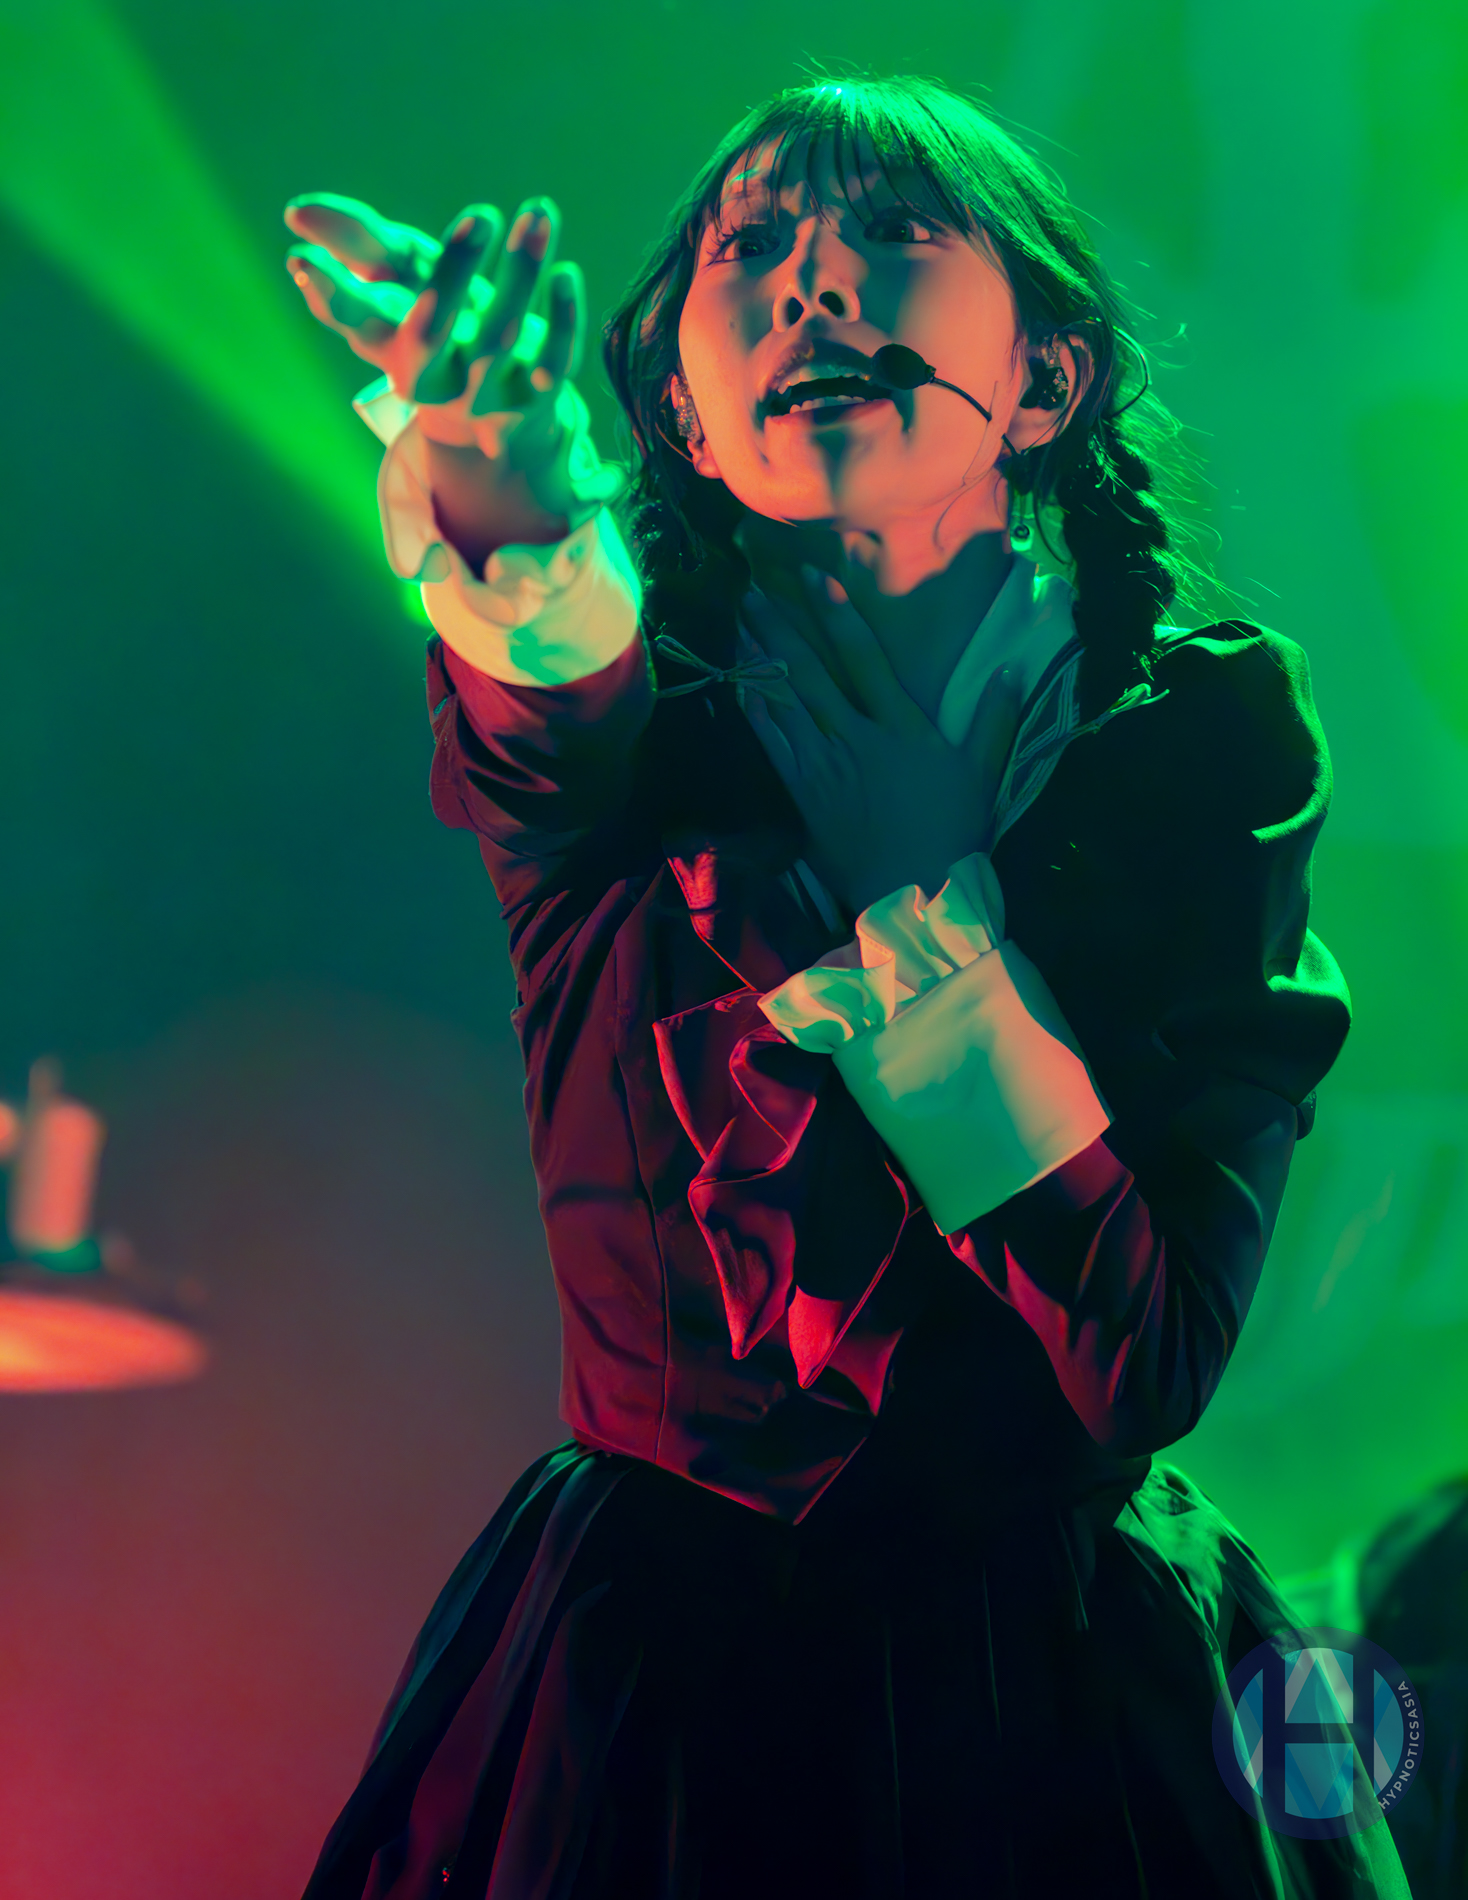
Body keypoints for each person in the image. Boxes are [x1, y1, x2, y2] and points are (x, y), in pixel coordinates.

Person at [285, 76, 1409, 1900]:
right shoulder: (646, 729)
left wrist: (919, 914)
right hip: (660, 1706)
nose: (812, 280)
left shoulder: (1199, 740)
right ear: (680, 412)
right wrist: (498, 461)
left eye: (891, 230)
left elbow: (1145, 1357)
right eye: (751, 248)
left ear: (1044, 378)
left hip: (1075, 1706)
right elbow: (546, 671)